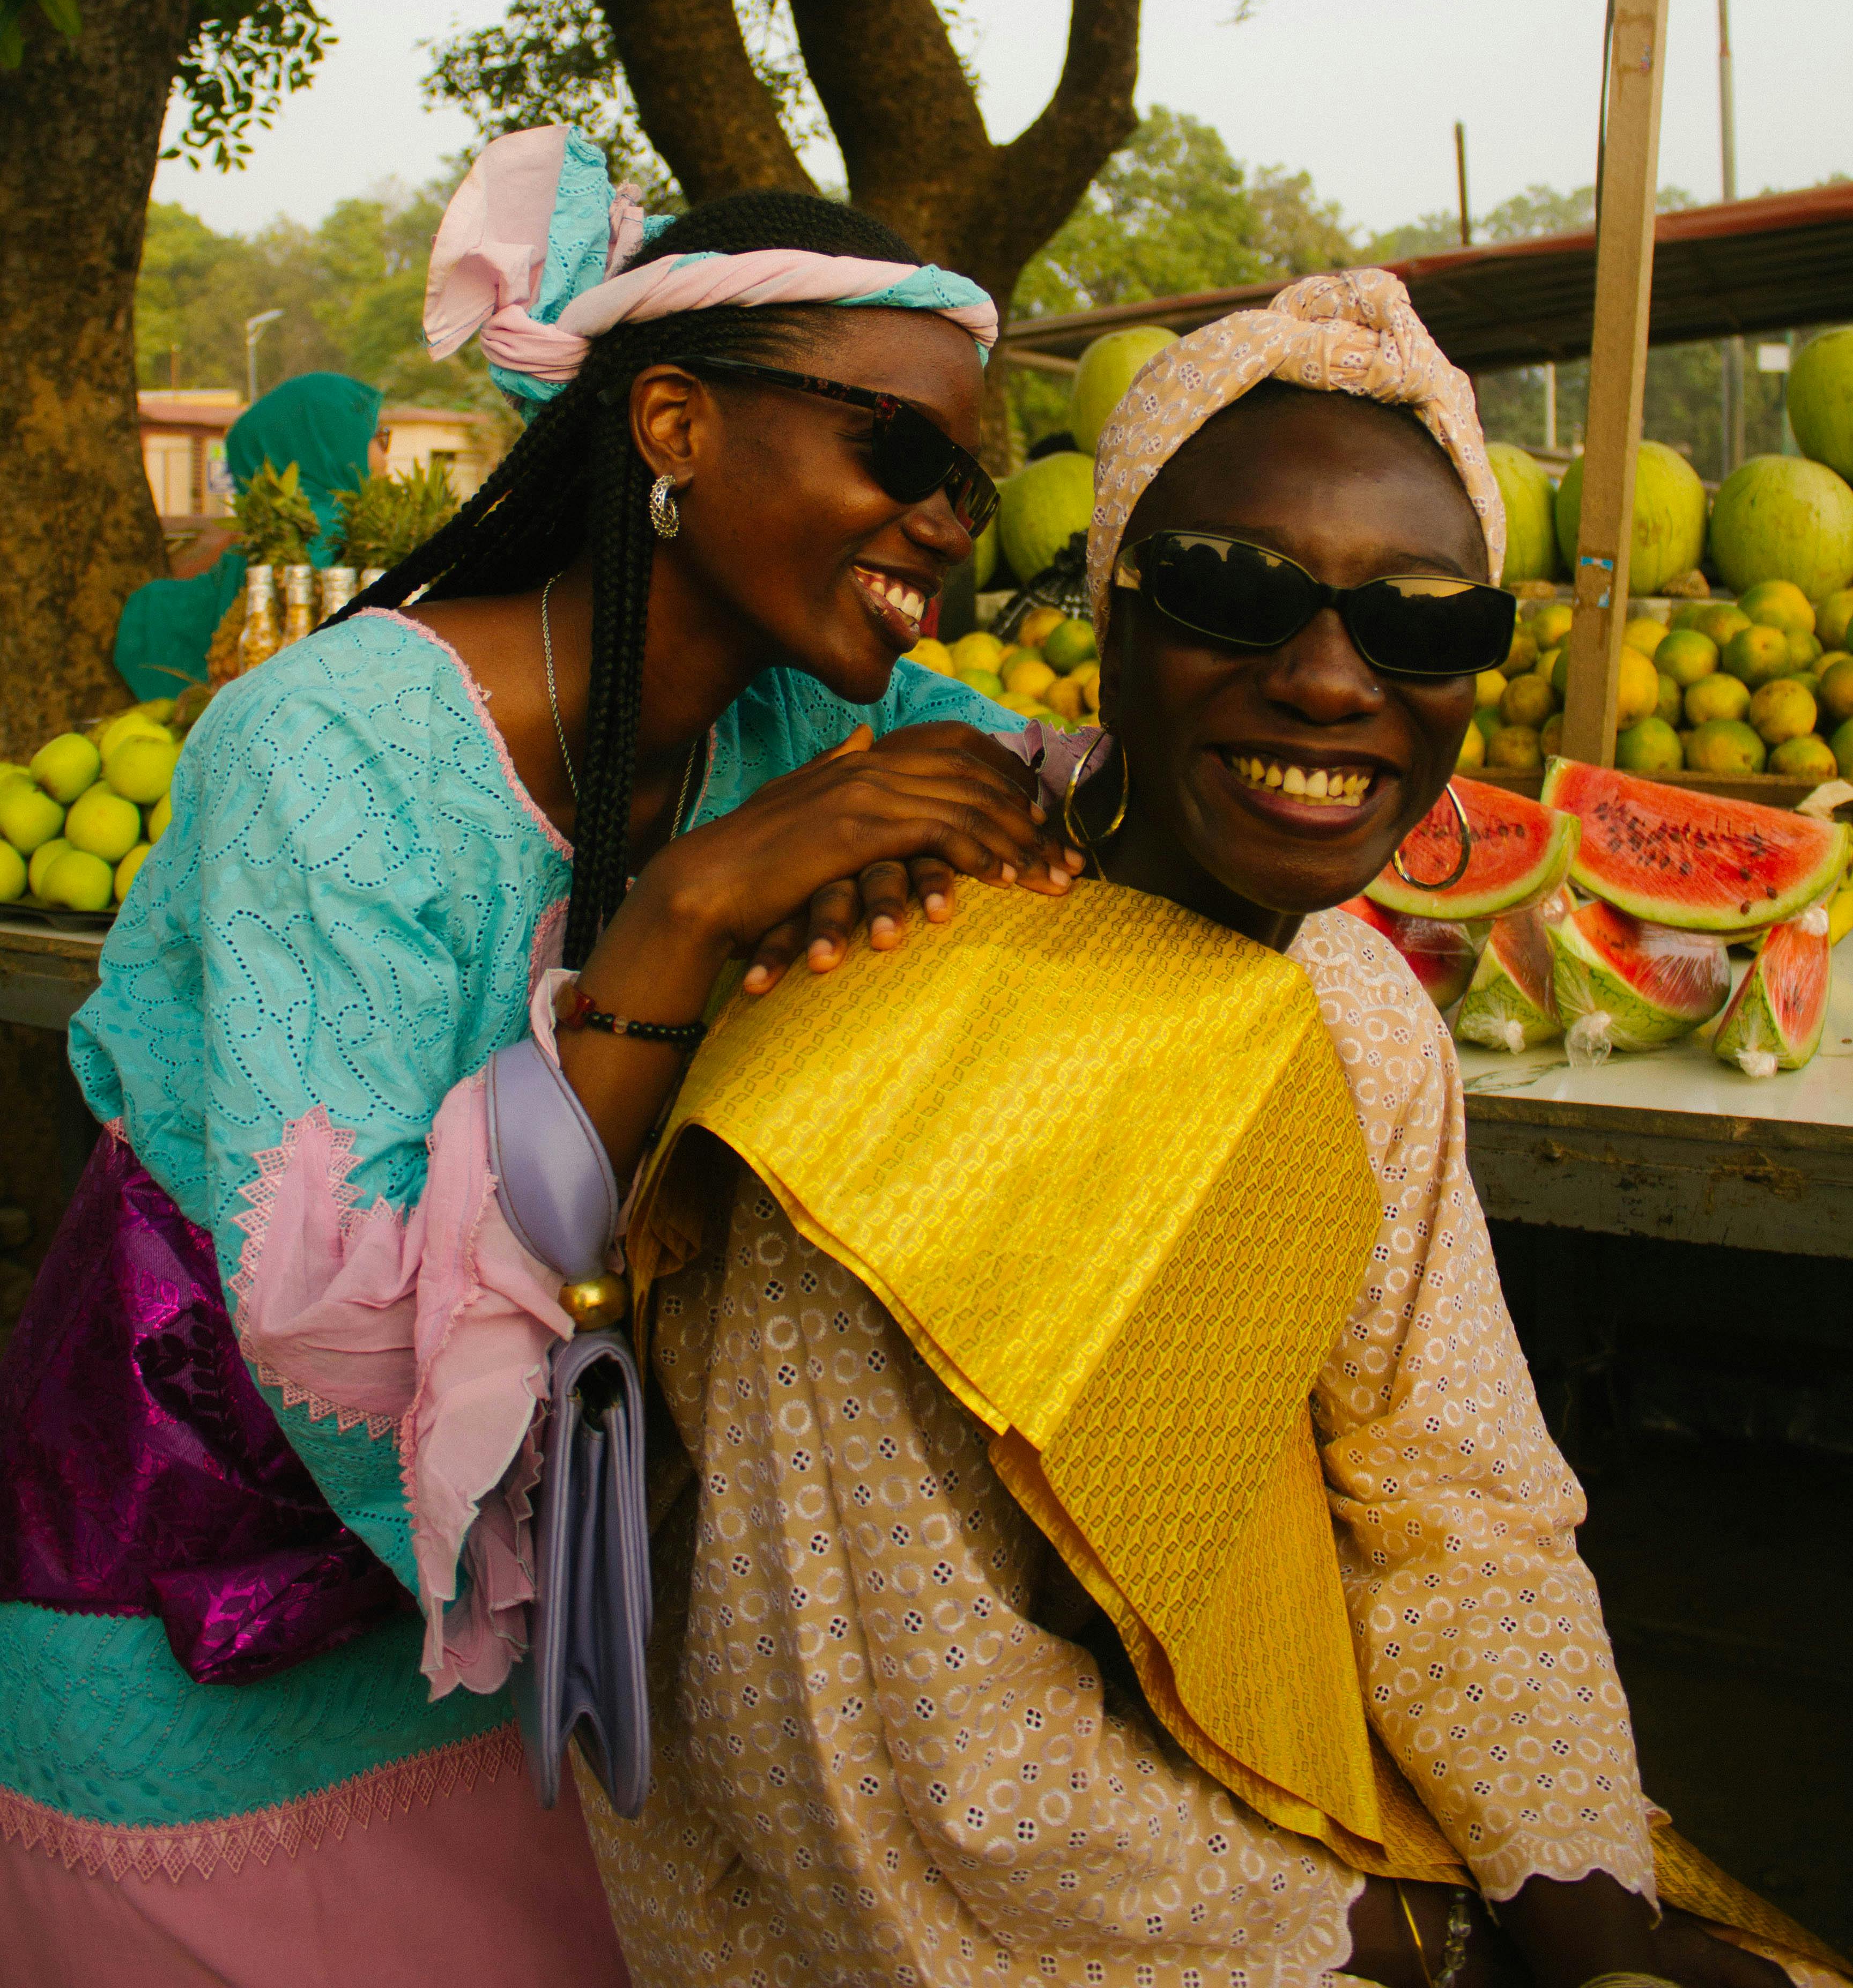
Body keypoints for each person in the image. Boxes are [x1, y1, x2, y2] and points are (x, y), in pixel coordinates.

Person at [534, 271, 1839, 1988]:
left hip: (1299, 1810)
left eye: (1425, 624)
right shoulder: (871, 1060)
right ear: (1112, 615)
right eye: (1235, 593)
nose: (1325, 683)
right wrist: (1444, 1946)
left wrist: (1584, 1903)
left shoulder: (1364, 1019)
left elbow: (1461, 1504)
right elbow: (909, 1779)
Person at [0, 130, 1076, 1984]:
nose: (938, 527)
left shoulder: (813, 710)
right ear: (669, 422)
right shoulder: (323, 754)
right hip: (204, 1623)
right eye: (896, 454)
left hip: (540, 1617)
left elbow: (1062, 777)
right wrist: (684, 920)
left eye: (965, 493)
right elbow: (329, 1321)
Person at [113, 370, 387, 700]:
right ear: (333, 445)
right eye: (378, 437)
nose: (384, 453)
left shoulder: (256, 544)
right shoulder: (341, 542)